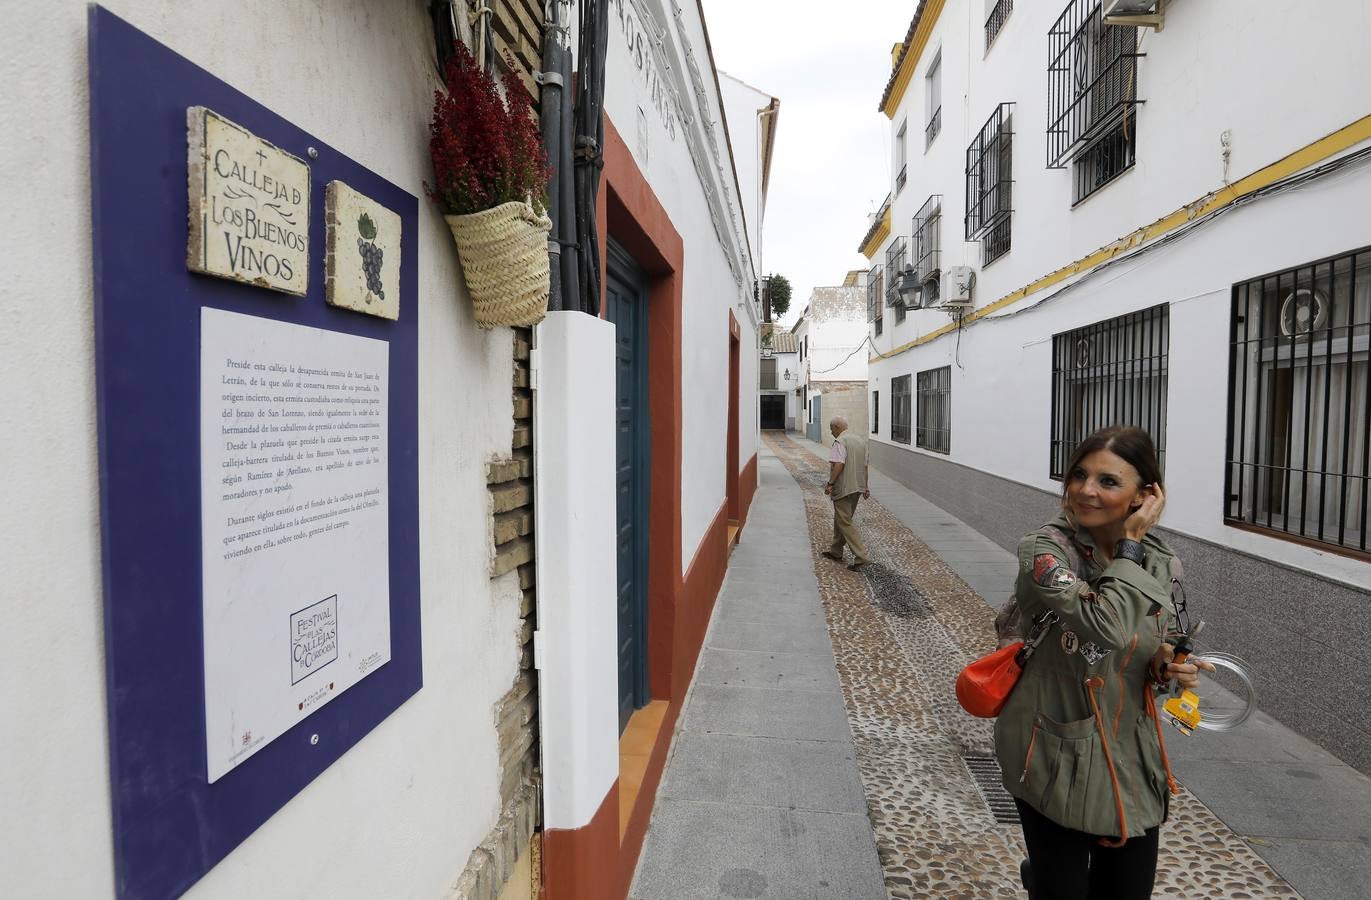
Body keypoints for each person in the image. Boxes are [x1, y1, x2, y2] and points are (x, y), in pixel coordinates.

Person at [993, 426, 1212, 899]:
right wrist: (1131, 544)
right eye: (1079, 474)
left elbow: (1154, 641)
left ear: (1146, 494)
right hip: (1055, 747)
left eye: (1109, 481)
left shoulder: (1162, 561)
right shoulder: (1045, 550)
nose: (1086, 490)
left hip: (1130, 754)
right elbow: (1105, 625)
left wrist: (1167, 664)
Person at [821, 415, 871, 570]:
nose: (831, 433)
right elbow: (865, 466)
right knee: (841, 518)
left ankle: (861, 557)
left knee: (845, 522)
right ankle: (836, 551)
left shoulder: (840, 442)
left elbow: (838, 464)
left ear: (837, 427)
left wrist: (830, 483)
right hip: (857, 487)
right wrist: (866, 486)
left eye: (831, 429)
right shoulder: (861, 442)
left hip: (843, 487)